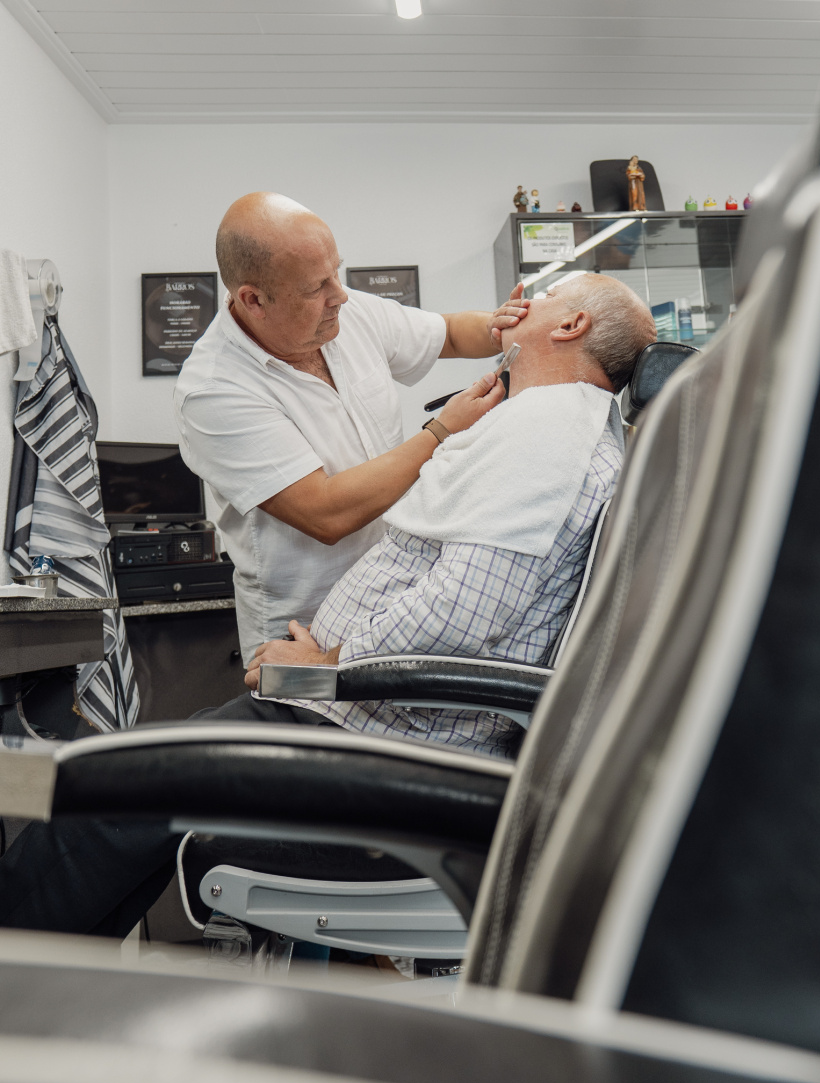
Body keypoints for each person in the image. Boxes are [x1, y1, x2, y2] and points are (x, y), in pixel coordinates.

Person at [0, 275, 656, 938]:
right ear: (253, 296)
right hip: (367, 713)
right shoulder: (551, 424)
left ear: (570, 326)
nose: (525, 301)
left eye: (545, 295)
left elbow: (464, 611)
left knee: (105, 787)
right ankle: (48, 972)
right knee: (130, 795)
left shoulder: (546, 432)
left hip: (376, 729)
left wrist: (322, 666)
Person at [176, 191, 528, 664]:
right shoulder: (213, 390)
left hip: (393, 599)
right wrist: (441, 432)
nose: (339, 295)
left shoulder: (347, 312)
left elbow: (448, 333)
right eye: (315, 287)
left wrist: (505, 328)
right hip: (302, 631)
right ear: (253, 299)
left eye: (336, 272)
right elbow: (326, 514)